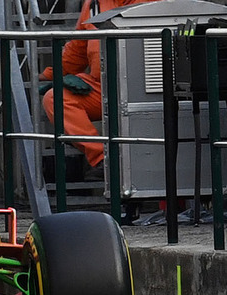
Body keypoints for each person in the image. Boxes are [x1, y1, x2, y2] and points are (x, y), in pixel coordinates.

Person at [39, 0, 159, 180]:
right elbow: (77, 49)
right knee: (56, 98)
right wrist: (50, 75)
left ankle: (169, 204)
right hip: (103, 86)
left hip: (152, 86)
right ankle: (103, 159)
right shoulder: (93, 3)